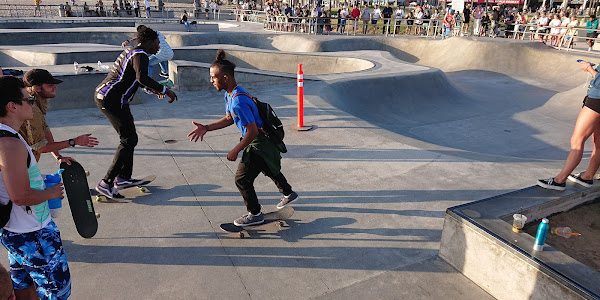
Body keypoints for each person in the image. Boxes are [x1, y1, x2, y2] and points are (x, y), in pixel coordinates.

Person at [187, 50, 299, 226]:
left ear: (225, 78)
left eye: (213, 78)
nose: (211, 81)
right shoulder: (231, 94)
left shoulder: (239, 102)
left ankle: (255, 214)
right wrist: (207, 128)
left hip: (259, 142)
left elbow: (252, 131)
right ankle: (288, 192)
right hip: (262, 140)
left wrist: (235, 150)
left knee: (242, 179)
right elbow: (229, 119)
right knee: (267, 166)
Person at [0, 75, 70, 300]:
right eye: (28, 99)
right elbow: (20, 196)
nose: (32, 103)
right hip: (32, 232)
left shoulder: (8, 137)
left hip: (18, 231)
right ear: (12, 106)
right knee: (56, 292)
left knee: (23, 287)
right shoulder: (9, 144)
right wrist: (50, 193)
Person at [95, 27, 177, 199]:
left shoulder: (133, 52)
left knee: (129, 138)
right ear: (149, 42)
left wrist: (153, 91)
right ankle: (106, 183)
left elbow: (134, 78)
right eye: (157, 43)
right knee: (128, 139)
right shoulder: (141, 55)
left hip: (110, 97)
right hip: (112, 99)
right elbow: (142, 78)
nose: (158, 47)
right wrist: (165, 90)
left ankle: (124, 178)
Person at [537, 61, 600, 191]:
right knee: (598, 143)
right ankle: (587, 176)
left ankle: (559, 180)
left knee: (577, 140)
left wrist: (589, 68)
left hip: (596, 101)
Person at [19, 69, 98, 164]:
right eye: (50, 85)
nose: (55, 88)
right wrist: (73, 141)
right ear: (37, 88)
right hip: (17, 165)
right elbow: (40, 148)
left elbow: (45, 130)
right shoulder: (32, 110)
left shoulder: (36, 105)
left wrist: (58, 156)